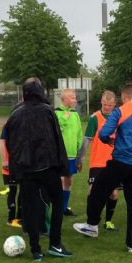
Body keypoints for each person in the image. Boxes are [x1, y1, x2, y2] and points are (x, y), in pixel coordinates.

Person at [73, 83, 132, 253]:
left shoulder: (120, 111)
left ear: (123, 97)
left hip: (121, 161)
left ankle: (92, 225)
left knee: (97, 190)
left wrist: (110, 140)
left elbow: (103, 133)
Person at [4, 78, 72, 260]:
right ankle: (55, 243)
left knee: (30, 208)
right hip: (48, 167)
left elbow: (11, 144)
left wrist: (15, 171)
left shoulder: (16, 114)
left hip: (27, 169)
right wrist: (63, 167)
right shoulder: (47, 111)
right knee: (57, 202)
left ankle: (36, 250)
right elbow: (58, 140)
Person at [75, 90, 120, 232]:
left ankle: (108, 221)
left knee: (113, 193)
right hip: (97, 162)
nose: (107, 107)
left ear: (114, 104)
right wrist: (80, 158)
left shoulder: (118, 117)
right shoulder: (95, 118)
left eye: (110, 105)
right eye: (105, 104)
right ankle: (90, 222)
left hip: (114, 161)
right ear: (101, 102)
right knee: (92, 191)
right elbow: (86, 140)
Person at [56, 88, 83, 216]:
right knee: (60, 180)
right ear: (64, 99)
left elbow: (79, 134)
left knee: (69, 180)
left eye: (75, 97)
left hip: (73, 154)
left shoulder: (75, 114)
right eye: (72, 98)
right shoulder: (56, 113)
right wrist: (64, 118)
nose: (75, 100)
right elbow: (57, 130)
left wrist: (79, 153)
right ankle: (57, 207)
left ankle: (64, 207)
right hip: (60, 154)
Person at [0, 128, 21, 227]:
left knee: (24, 191)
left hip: (22, 164)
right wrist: (4, 161)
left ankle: (20, 217)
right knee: (13, 190)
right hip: (10, 165)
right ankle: (11, 219)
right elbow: (1, 142)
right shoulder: (9, 126)